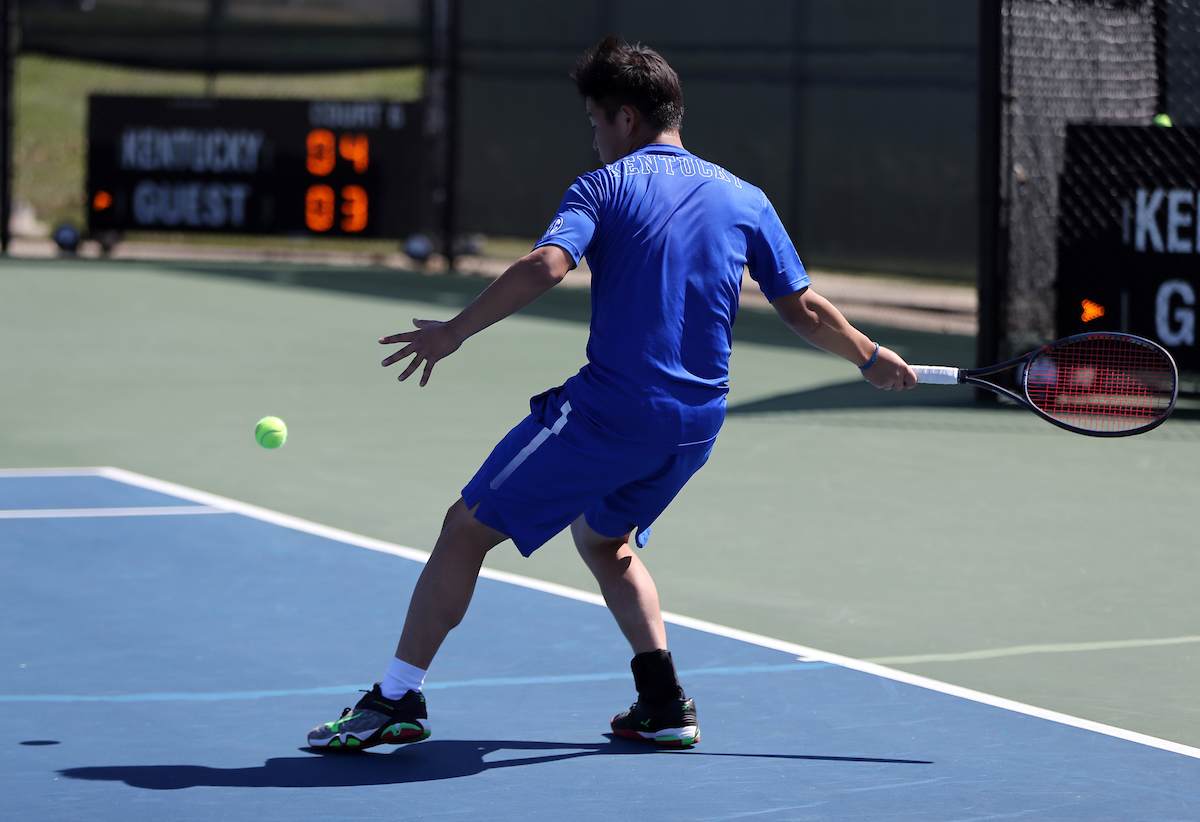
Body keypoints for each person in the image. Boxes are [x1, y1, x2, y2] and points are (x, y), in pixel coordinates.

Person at [307, 35, 916, 752]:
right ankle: (662, 704)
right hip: (695, 428)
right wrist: (871, 356)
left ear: (625, 119)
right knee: (604, 540)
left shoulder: (603, 187)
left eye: (595, 123)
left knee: (464, 528)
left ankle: (395, 701)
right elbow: (805, 308)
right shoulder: (745, 198)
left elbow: (546, 264)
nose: (593, 140)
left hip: (611, 413)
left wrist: (455, 332)